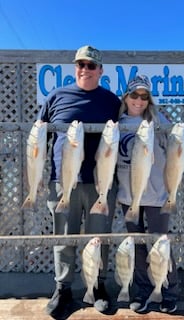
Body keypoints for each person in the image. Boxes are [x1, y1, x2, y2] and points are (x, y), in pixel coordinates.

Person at [38, 45, 121, 319]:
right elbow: (40, 140)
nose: (85, 69)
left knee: (99, 238)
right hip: (63, 184)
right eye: (80, 64)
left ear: (101, 70)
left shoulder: (111, 101)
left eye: (91, 65)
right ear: (76, 68)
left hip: (100, 185)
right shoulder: (56, 97)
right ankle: (62, 289)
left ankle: (97, 287)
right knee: (64, 238)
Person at [116, 75, 179, 314]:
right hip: (127, 195)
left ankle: (169, 290)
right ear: (126, 97)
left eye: (144, 96)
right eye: (134, 95)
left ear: (149, 99)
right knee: (137, 245)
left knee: (161, 245)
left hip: (156, 195)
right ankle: (143, 291)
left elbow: (175, 150)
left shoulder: (159, 119)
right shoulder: (117, 122)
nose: (139, 100)